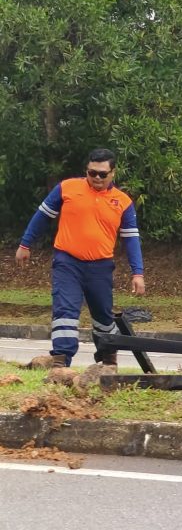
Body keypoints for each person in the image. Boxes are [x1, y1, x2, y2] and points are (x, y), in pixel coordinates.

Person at [15, 148, 145, 368]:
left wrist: (138, 273)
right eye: (92, 172)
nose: (96, 178)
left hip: (100, 267)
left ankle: (108, 360)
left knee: (103, 317)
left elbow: (131, 239)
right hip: (67, 263)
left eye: (102, 174)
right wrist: (25, 244)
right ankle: (60, 362)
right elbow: (42, 215)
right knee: (65, 311)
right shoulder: (67, 188)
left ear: (113, 173)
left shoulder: (122, 202)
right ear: (86, 170)